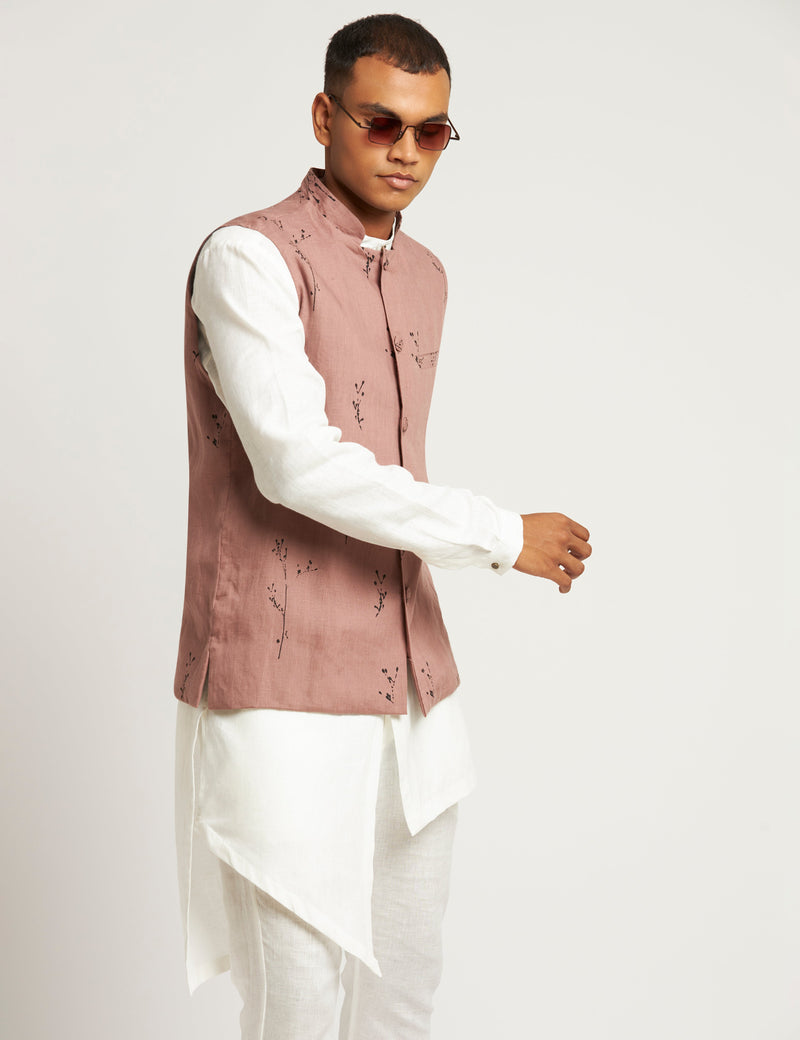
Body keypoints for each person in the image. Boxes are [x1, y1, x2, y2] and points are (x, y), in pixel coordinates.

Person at [173, 13, 591, 1040]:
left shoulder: (424, 274)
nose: (406, 151)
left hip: (414, 691)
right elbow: (296, 462)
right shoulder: (248, 257)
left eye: (432, 130)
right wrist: (500, 532)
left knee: (403, 993)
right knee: (298, 1002)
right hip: (280, 690)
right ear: (325, 117)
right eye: (380, 122)